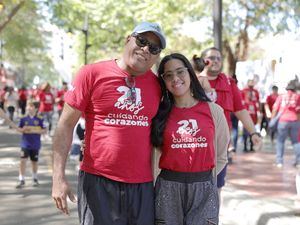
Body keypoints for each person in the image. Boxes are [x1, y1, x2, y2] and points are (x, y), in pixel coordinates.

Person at [52, 21, 166, 225]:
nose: (145, 49)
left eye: (154, 47)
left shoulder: (159, 86)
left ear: (157, 55)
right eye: (142, 41)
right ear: (128, 39)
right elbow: (65, 126)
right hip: (98, 182)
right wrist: (58, 178)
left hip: (142, 186)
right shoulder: (91, 74)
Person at [151, 53, 230, 225]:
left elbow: (222, 155)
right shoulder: (159, 114)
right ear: (163, 81)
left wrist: (203, 181)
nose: (175, 79)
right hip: (168, 188)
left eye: (180, 72)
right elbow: (152, 155)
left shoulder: (213, 111)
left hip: (204, 187)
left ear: (190, 74)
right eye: (168, 75)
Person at [192, 47, 262, 195]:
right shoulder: (191, 81)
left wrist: (254, 133)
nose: (216, 61)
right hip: (195, 144)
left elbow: (240, 110)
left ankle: (212, 219)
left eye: (219, 58)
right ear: (204, 60)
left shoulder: (229, 83)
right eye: (212, 57)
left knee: (216, 189)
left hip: (220, 147)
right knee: (194, 188)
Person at [15, 100, 46, 188]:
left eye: (31, 106)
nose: (28, 108)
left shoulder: (40, 119)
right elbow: (19, 129)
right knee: (22, 161)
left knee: (34, 162)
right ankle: (21, 179)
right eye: (28, 106)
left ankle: (35, 178)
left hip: (35, 144)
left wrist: (33, 130)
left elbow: (44, 130)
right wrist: (23, 129)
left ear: (36, 109)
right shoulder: (23, 119)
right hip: (25, 144)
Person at [271, 80, 300, 168]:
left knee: (280, 141)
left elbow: (275, 109)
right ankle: (298, 162)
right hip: (294, 120)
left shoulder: (281, 96)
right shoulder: (297, 97)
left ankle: (279, 162)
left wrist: (272, 119)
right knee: (296, 142)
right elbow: (299, 111)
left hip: (283, 121)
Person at [241, 79, 260, 152]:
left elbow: (258, 101)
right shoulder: (244, 91)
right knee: (245, 130)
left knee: (252, 130)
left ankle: (252, 145)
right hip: (246, 112)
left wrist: (259, 111)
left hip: (254, 114)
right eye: (250, 83)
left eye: (253, 83)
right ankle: (245, 145)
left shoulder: (256, 92)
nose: (251, 84)